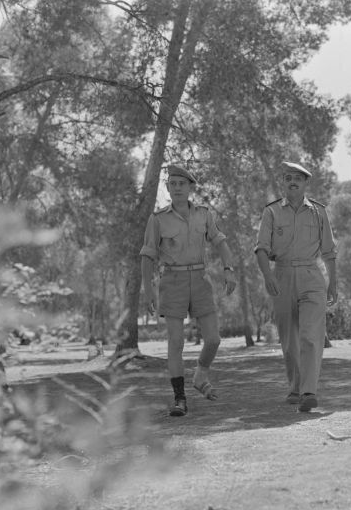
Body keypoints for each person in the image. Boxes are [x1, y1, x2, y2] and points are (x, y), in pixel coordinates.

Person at [140, 164, 237, 416]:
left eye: (182, 183)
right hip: (172, 281)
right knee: (176, 342)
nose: (177, 188)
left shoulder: (204, 214)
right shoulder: (158, 219)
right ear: (168, 188)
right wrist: (148, 291)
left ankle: (200, 374)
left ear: (191, 187)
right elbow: (148, 256)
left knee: (214, 339)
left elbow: (220, 241)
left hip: (200, 278)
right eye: (173, 184)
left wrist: (229, 269)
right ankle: (179, 398)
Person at [254, 161, 337, 412]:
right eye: (288, 178)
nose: (292, 182)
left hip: (312, 276)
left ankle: (309, 391)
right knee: (289, 340)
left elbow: (330, 251)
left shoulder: (319, 212)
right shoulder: (271, 212)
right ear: (283, 182)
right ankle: (295, 387)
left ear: (305, 183)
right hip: (282, 275)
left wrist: (333, 282)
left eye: (298, 178)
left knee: (310, 335)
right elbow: (260, 249)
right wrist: (268, 276)